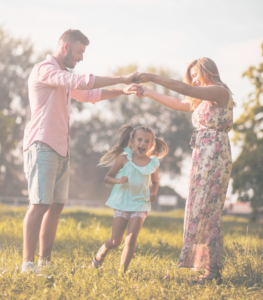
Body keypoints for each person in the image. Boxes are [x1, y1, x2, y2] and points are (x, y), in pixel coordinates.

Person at [21, 29, 140, 273]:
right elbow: (81, 82)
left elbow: (88, 94)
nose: (81, 57)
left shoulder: (62, 77)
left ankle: (44, 262)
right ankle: (27, 264)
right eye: (79, 51)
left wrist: (122, 91)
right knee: (40, 204)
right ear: (65, 47)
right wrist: (122, 79)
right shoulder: (45, 70)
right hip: (42, 144)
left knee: (56, 206)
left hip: (61, 148)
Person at [133, 57, 234, 284]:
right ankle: (203, 267)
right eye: (192, 77)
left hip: (215, 156)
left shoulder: (219, 92)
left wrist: (152, 76)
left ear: (208, 71)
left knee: (209, 211)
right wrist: (149, 91)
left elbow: (184, 89)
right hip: (202, 155)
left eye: (197, 74)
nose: (194, 80)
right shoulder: (202, 99)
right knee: (198, 209)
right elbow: (178, 102)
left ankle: (213, 271)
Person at [92, 124, 168, 272]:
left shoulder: (153, 163)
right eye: (139, 139)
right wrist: (118, 180)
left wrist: (153, 193)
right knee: (115, 241)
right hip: (122, 203)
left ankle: (122, 272)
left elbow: (155, 182)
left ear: (152, 145)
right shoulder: (123, 159)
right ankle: (103, 250)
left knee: (131, 238)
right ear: (132, 141)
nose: (143, 143)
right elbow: (108, 178)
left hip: (140, 204)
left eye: (147, 141)